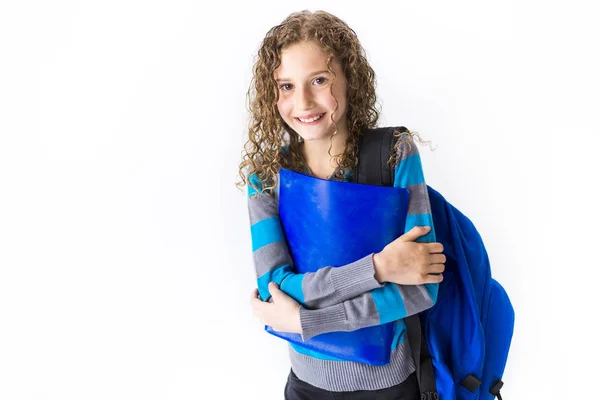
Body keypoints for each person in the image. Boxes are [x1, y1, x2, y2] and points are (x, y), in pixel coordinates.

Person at [238, 10, 446, 400]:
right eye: (285, 86)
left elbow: (421, 289)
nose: (302, 102)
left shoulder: (394, 156)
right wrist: (378, 268)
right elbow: (274, 290)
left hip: (390, 385)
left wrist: (305, 320)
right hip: (306, 385)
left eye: (319, 80)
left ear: (350, 78)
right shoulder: (265, 175)